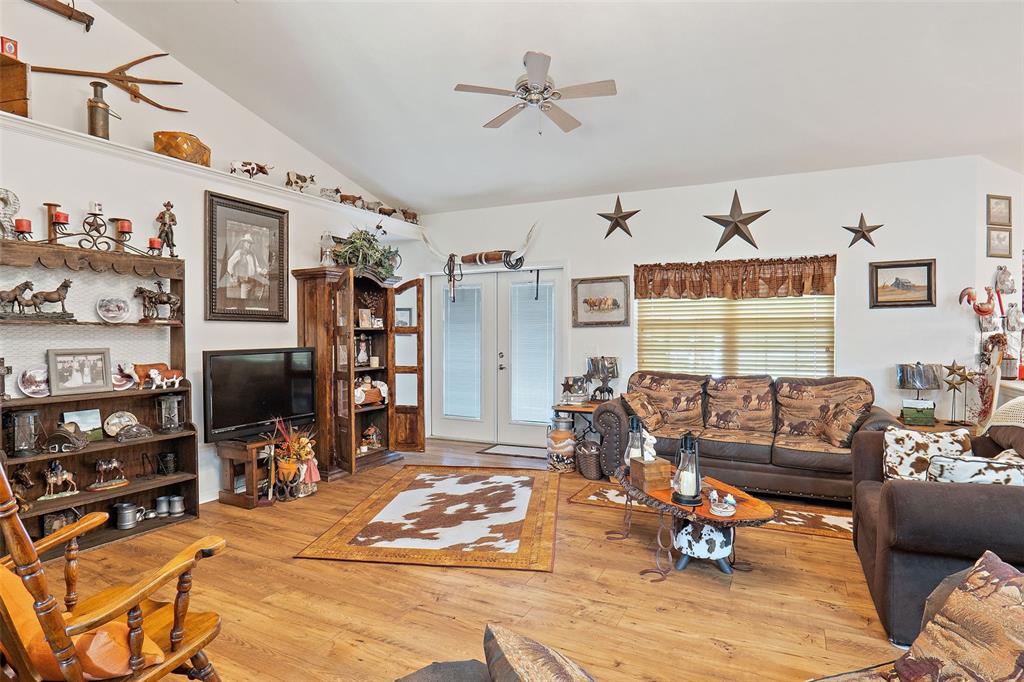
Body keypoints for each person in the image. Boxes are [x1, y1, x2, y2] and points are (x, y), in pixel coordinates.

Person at [221, 233, 269, 303]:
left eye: (250, 243)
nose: (249, 245)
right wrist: (232, 275)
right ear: (244, 243)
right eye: (247, 243)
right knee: (243, 302)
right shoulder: (239, 253)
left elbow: (257, 268)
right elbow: (229, 264)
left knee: (251, 303)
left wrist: (263, 271)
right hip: (244, 283)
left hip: (253, 282)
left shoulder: (253, 255)